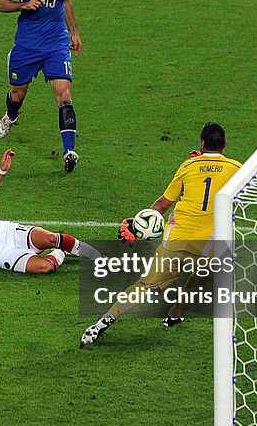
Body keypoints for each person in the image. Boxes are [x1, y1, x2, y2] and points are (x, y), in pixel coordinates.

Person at [80, 123, 242, 348]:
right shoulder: (237, 169)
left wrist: (137, 227)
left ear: (202, 143)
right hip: (210, 245)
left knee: (145, 286)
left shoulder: (188, 166)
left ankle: (103, 321)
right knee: (205, 273)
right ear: (225, 144)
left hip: (176, 241)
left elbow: (163, 204)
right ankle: (177, 312)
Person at [0, 0, 83, 173]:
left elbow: (66, 1)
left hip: (56, 45)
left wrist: (74, 32)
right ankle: (11, 116)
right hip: (27, 47)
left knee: (64, 95)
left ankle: (69, 151)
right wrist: (25, 4)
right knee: (18, 94)